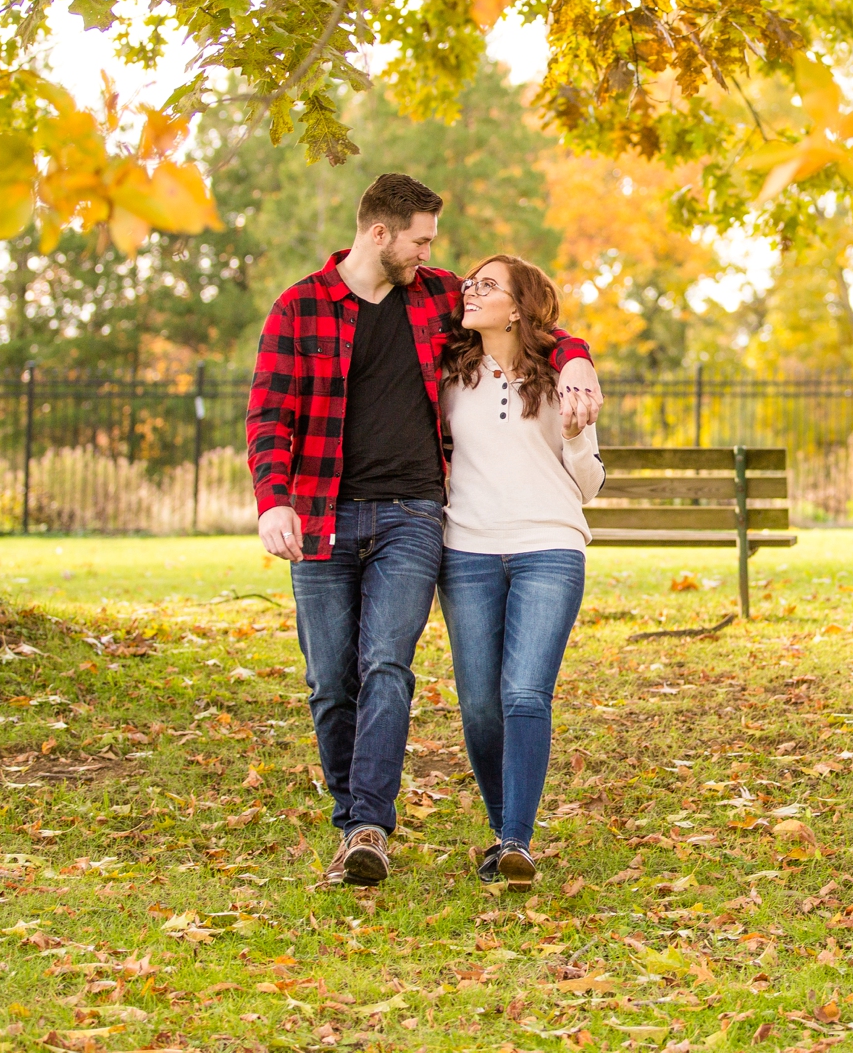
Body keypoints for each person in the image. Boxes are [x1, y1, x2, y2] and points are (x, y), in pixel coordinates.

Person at [246, 175, 602, 889]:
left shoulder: (436, 297)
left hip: (412, 515)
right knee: (328, 682)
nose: (431, 255)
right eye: (421, 239)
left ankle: (371, 825)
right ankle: (354, 823)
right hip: (320, 515)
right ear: (381, 234)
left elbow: (537, 325)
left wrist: (579, 358)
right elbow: (269, 415)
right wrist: (271, 501)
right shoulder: (300, 306)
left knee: (386, 663)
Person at [437, 255, 605, 893]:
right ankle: (502, 825)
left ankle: (516, 840)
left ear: (517, 308)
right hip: (468, 551)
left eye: (487, 286)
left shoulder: (564, 380)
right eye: (469, 284)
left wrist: (575, 437)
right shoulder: (451, 374)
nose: (470, 293)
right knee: (480, 705)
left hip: (548, 546)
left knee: (525, 694)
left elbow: (587, 486)